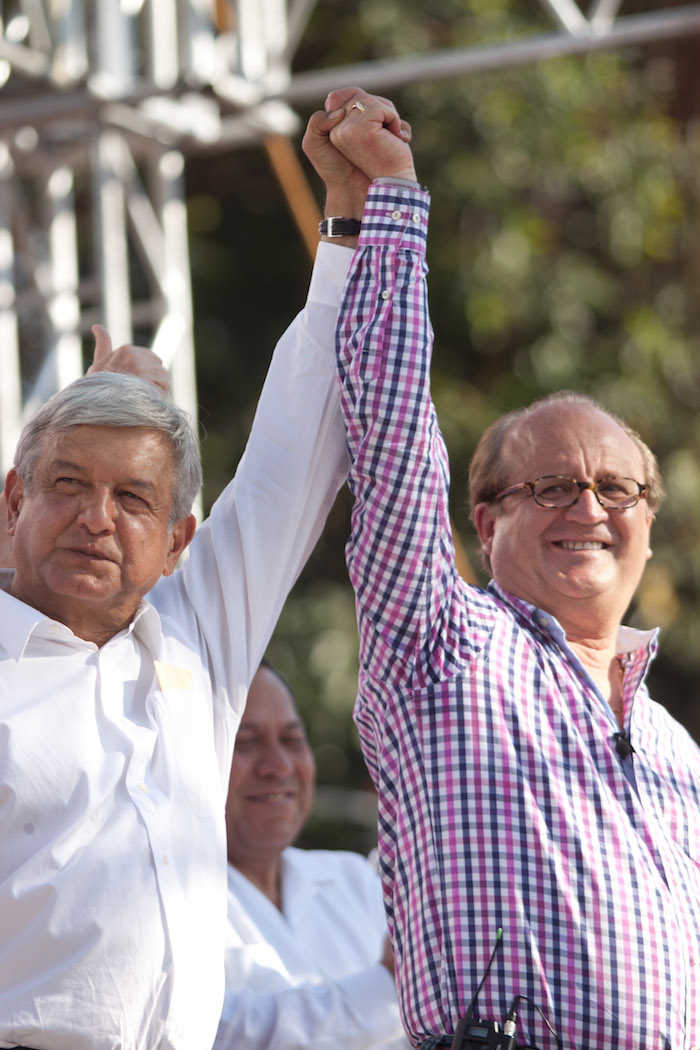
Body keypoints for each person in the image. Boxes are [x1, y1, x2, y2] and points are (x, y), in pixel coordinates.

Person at [0, 94, 399, 1048]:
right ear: (11, 503)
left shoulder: (194, 640)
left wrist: (348, 214)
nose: (97, 519)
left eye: (133, 499)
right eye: (67, 485)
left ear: (178, 540)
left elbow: (296, 451)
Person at [314, 90, 700, 1049]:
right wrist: (389, 207)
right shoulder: (442, 644)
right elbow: (395, 438)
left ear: (650, 521)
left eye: (619, 490)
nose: (591, 510)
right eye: (555, 487)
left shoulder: (676, 750)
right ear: (486, 522)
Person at [213, 660, 410, 1050]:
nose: (279, 766)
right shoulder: (161, 902)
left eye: (291, 739)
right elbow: (215, 1032)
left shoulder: (355, 878)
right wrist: (393, 982)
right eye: (245, 742)